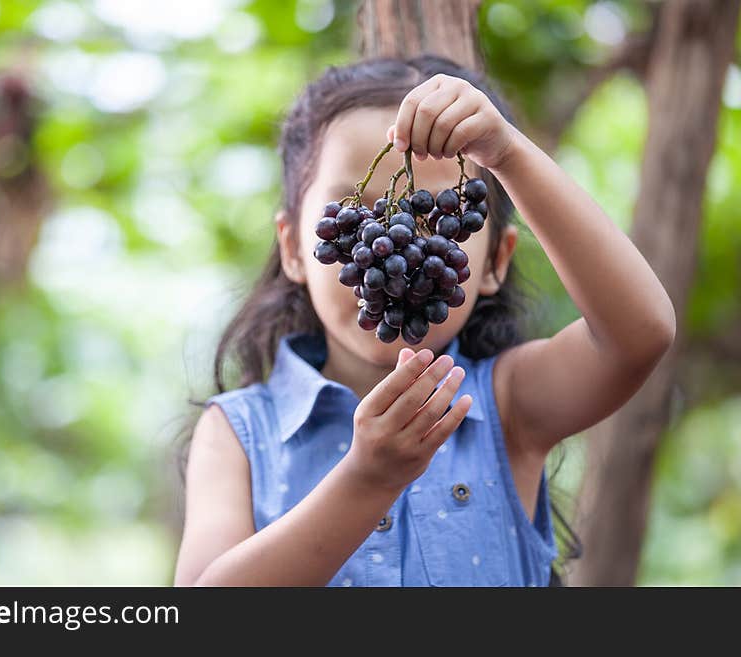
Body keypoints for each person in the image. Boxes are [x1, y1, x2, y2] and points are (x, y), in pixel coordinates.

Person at [172, 55, 675, 587]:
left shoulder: (508, 405)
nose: (401, 248)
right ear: (294, 247)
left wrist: (507, 153)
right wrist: (366, 481)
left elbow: (639, 334)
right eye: (357, 216)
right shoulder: (238, 431)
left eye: (436, 220)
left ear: (495, 262)